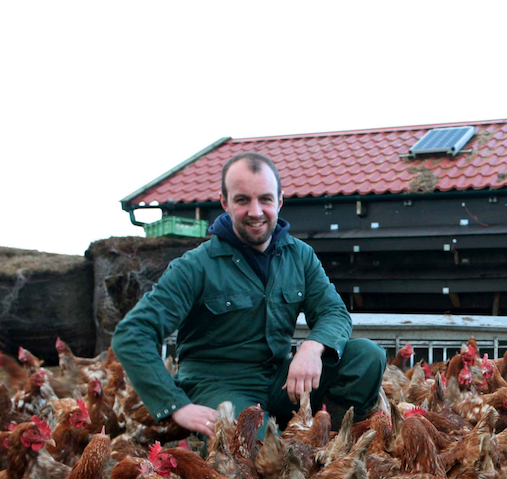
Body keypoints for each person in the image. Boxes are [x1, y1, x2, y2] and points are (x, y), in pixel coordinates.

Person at [111, 152, 385, 438]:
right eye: (243, 200)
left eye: (265, 199)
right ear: (225, 203)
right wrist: (176, 405)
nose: (255, 211)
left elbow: (334, 312)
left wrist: (313, 346)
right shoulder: (195, 266)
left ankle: (329, 443)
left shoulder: (300, 256)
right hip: (219, 386)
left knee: (367, 356)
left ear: (279, 201)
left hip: (279, 382)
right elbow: (132, 334)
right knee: (260, 450)